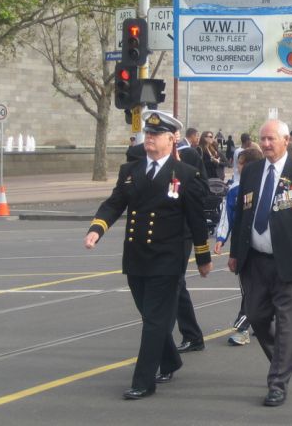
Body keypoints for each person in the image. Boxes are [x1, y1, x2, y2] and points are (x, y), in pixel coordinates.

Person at [84, 110, 212, 400]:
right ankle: (170, 360)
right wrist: (97, 228)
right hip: (136, 256)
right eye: (147, 135)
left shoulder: (185, 175)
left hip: (167, 259)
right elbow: (114, 203)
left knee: (154, 321)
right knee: (149, 315)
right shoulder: (131, 171)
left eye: (155, 135)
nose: (149, 139)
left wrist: (202, 258)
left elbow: (196, 220)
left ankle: (143, 380)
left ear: (171, 139)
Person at [228, 119, 292, 407]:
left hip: (291, 263)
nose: (266, 144)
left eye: (271, 139)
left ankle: (278, 382)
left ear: (286, 141)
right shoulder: (253, 171)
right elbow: (242, 214)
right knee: (256, 317)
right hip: (255, 262)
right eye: (263, 139)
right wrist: (235, 253)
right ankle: (282, 360)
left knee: (286, 325)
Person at [215, 147, 265, 345]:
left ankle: (244, 326)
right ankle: (250, 324)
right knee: (249, 289)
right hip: (244, 248)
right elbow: (227, 216)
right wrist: (220, 238)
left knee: (259, 291)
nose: (239, 167)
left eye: (242, 163)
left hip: (264, 248)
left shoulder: (267, 186)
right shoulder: (235, 190)